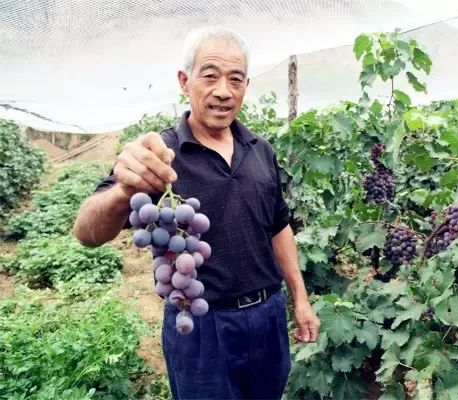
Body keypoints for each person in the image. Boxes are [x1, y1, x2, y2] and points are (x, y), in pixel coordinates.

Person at [73, 27, 320, 400]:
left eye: (235, 79)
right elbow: (86, 233)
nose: (223, 90)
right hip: (201, 324)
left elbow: (278, 225)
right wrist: (125, 190)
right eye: (210, 76)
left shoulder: (260, 149)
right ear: (184, 82)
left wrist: (299, 297)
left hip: (268, 317)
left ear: (245, 86)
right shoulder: (161, 155)